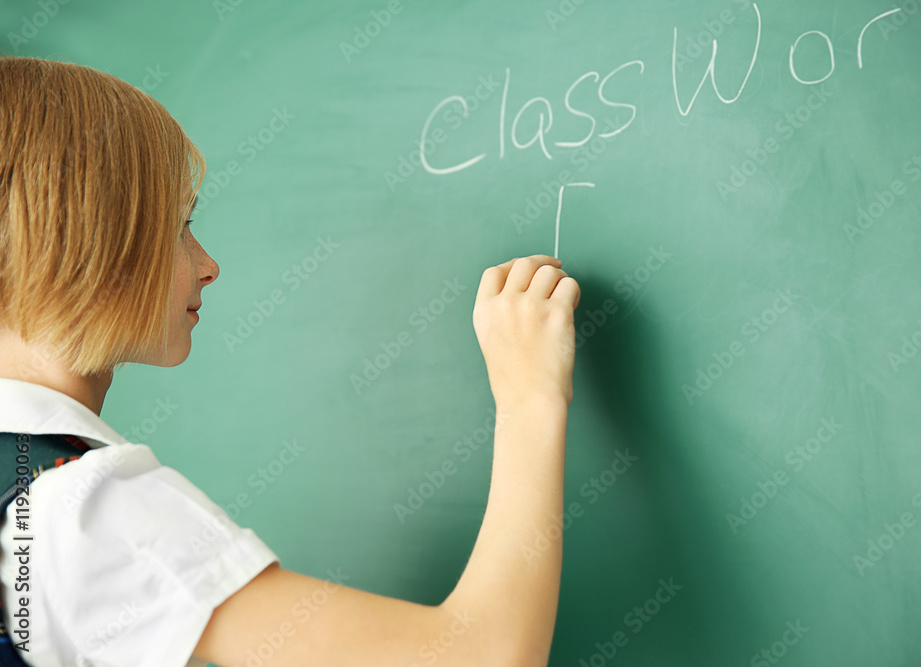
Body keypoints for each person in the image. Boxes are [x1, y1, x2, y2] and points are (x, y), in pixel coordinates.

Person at [0, 56, 581, 666]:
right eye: (179, 224)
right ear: (84, 239)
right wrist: (530, 397)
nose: (207, 265)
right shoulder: (81, 511)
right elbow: (484, 658)